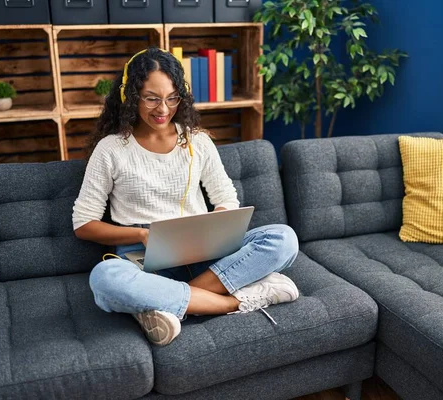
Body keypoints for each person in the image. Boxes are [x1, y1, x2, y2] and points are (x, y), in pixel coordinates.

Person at [72, 47, 299, 346]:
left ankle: (166, 302)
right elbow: (83, 224)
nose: (163, 109)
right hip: (146, 259)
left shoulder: (197, 141)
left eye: (172, 98)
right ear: (131, 96)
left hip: (202, 248)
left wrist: (219, 222)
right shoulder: (111, 149)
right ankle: (235, 301)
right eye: (152, 98)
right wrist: (141, 235)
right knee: (104, 279)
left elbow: (225, 196)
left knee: (283, 238)